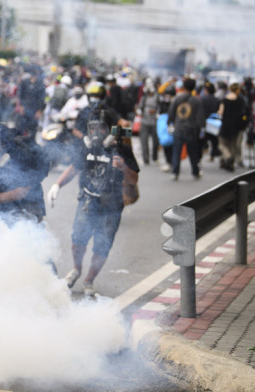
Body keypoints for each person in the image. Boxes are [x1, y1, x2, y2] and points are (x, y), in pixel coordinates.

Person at [47, 107, 139, 296]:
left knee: (102, 245)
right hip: (88, 199)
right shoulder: (86, 146)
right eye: (92, 128)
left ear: (109, 129)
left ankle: (89, 279)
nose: (96, 133)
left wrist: (122, 167)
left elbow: (134, 179)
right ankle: (76, 269)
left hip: (112, 204)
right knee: (78, 239)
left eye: (101, 128)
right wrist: (57, 184)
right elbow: (74, 168)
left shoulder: (121, 147)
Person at [167, 77, 205, 180]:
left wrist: (169, 123)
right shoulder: (196, 100)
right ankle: (195, 172)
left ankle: (175, 172)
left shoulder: (177, 99)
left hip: (178, 128)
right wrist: (202, 129)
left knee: (176, 151)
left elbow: (171, 113)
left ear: (183, 86)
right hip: (191, 129)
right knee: (193, 152)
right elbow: (200, 117)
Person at [217, 82, 248, 172]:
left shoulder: (224, 100)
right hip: (236, 125)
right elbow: (244, 112)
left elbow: (220, 112)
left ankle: (228, 157)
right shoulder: (240, 100)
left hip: (225, 124)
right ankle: (231, 163)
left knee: (222, 144)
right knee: (233, 145)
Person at [136, 78, 160, 165]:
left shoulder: (157, 97)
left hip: (155, 121)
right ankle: (146, 159)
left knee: (156, 141)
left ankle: (155, 157)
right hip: (145, 121)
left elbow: (160, 108)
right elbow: (139, 108)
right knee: (144, 141)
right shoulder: (144, 98)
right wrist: (140, 113)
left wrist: (156, 112)